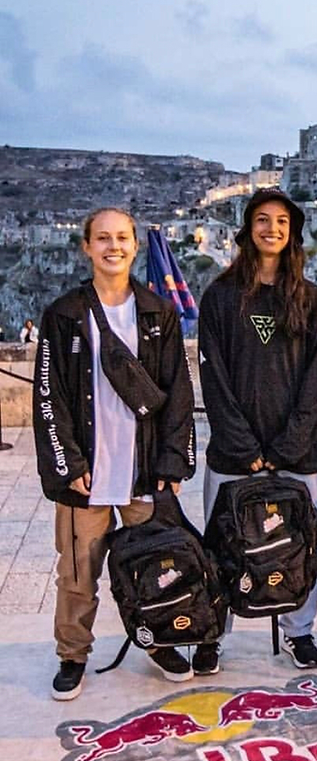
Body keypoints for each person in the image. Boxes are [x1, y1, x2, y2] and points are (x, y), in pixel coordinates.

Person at [33, 207, 196, 700]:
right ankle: (72, 654)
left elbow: (178, 392)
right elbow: (49, 396)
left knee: (154, 567)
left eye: (122, 237)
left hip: (142, 472)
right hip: (88, 475)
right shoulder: (64, 315)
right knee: (79, 574)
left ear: (135, 244)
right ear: (86, 247)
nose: (113, 246)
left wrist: (173, 461)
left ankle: (159, 639)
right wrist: (69, 465)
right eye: (102, 238)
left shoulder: (157, 312)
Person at [197, 189, 317, 673]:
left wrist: (285, 448)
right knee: (223, 542)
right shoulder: (220, 297)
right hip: (235, 456)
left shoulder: (311, 300)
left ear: (292, 231)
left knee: (300, 543)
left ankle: (300, 631)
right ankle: (214, 632)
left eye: (280, 221)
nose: (271, 228)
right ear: (247, 228)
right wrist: (247, 448)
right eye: (261, 219)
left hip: (296, 456)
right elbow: (213, 376)